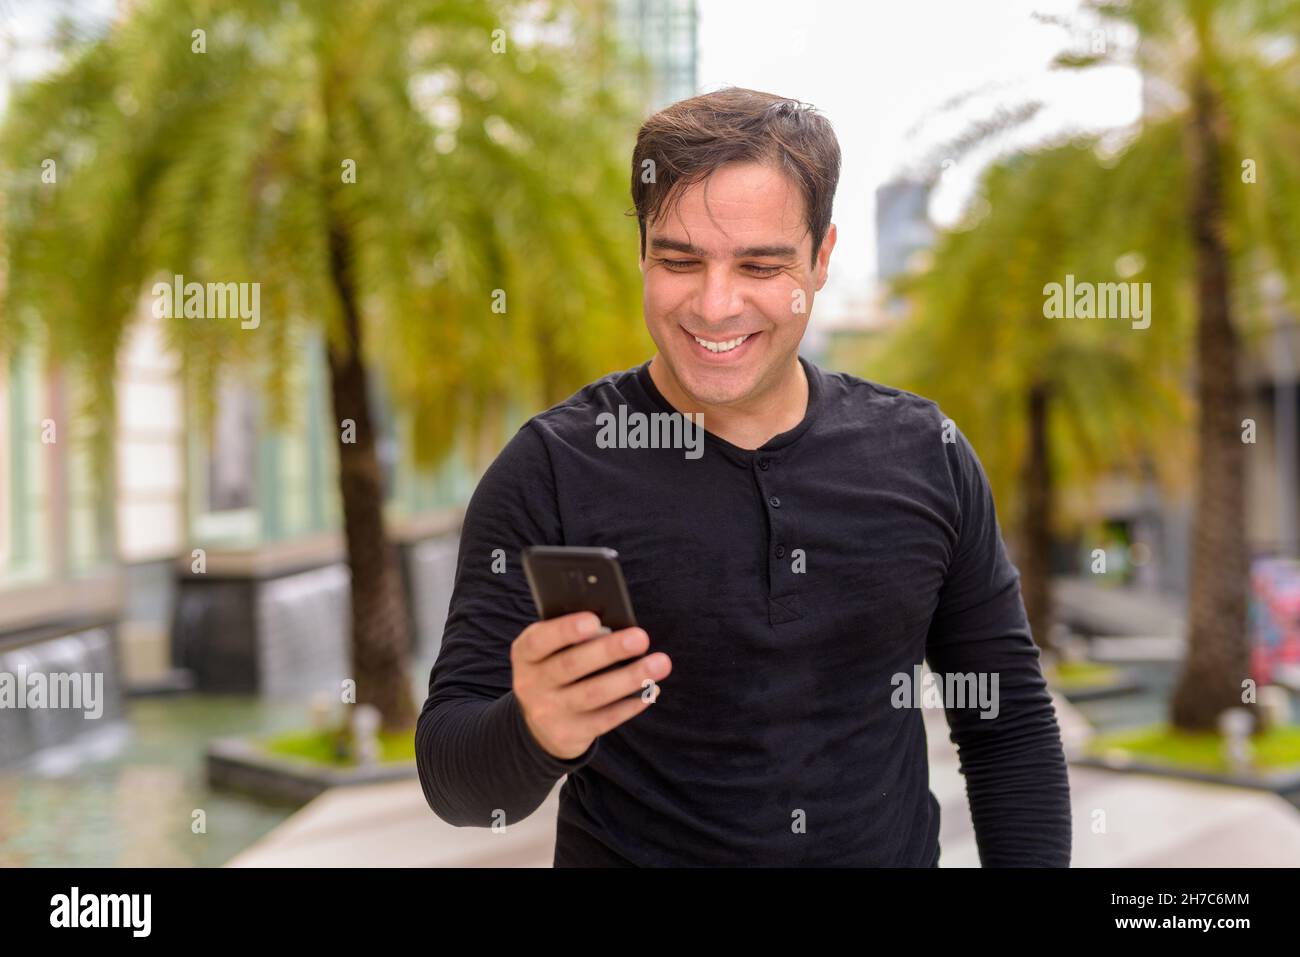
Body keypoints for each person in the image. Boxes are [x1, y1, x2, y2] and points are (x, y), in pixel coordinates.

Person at [415, 87, 1072, 866]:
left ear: (822, 259)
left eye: (760, 264)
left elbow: (1008, 729)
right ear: (643, 252)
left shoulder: (926, 450)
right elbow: (458, 783)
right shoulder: (550, 469)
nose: (715, 305)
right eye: (679, 259)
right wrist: (534, 728)